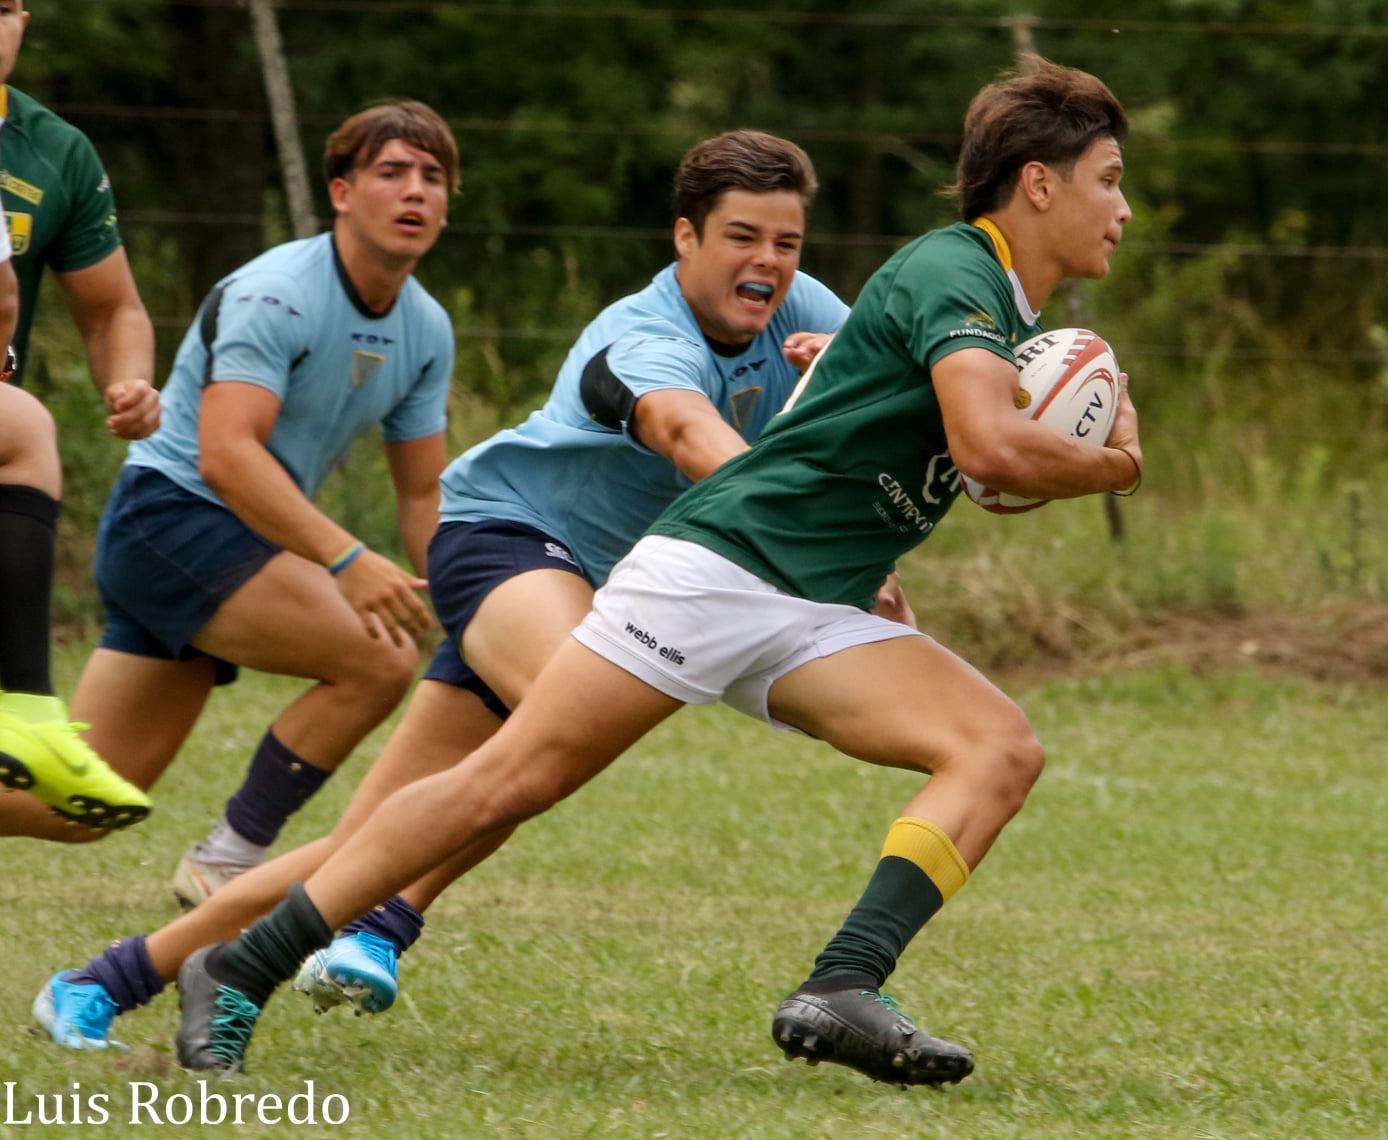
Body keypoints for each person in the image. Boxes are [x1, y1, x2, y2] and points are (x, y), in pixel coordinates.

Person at [169, 60, 1140, 1085]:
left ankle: (841, 986)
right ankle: (239, 964)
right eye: (1108, 178)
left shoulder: (1002, 313)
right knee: (510, 779)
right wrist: (1115, 461)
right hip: (718, 570)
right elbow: (990, 451)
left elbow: (980, 464)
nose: (1121, 207)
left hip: (813, 602)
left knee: (995, 748)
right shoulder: (956, 271)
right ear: (1038, 182)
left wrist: (1043, 458)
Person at [33, 129, 859, 1048]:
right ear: (684, 238)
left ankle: (107, 979)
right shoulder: (643, 333)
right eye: (743, 236)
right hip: (510, 542)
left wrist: (866, 426)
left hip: (592, 585)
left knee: (372, 840)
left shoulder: (806, 311)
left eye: (785, 243)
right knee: (561, 731)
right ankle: (386, 924)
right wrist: (804, 530)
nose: (768, 262)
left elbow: (883, 397)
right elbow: (694, 438)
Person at [0, 100, 459, 908]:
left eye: (433, 177)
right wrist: (346, 559)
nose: (415, 191)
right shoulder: (276, 292)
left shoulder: (427, 327)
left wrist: (474, 615)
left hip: (236, 538)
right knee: (378, 657)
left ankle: (222, 855)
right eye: (392, 172)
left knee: (80, 806)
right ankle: (228, 861)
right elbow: (226, 453)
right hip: (173, 517)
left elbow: (422, 493)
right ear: (343, 192)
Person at [0, 0, 159, 830]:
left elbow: (112, 309)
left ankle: (25, 716)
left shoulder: (53, 148)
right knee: (25, 429)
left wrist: (129, 383)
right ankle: (25, 709)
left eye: (3, 9)